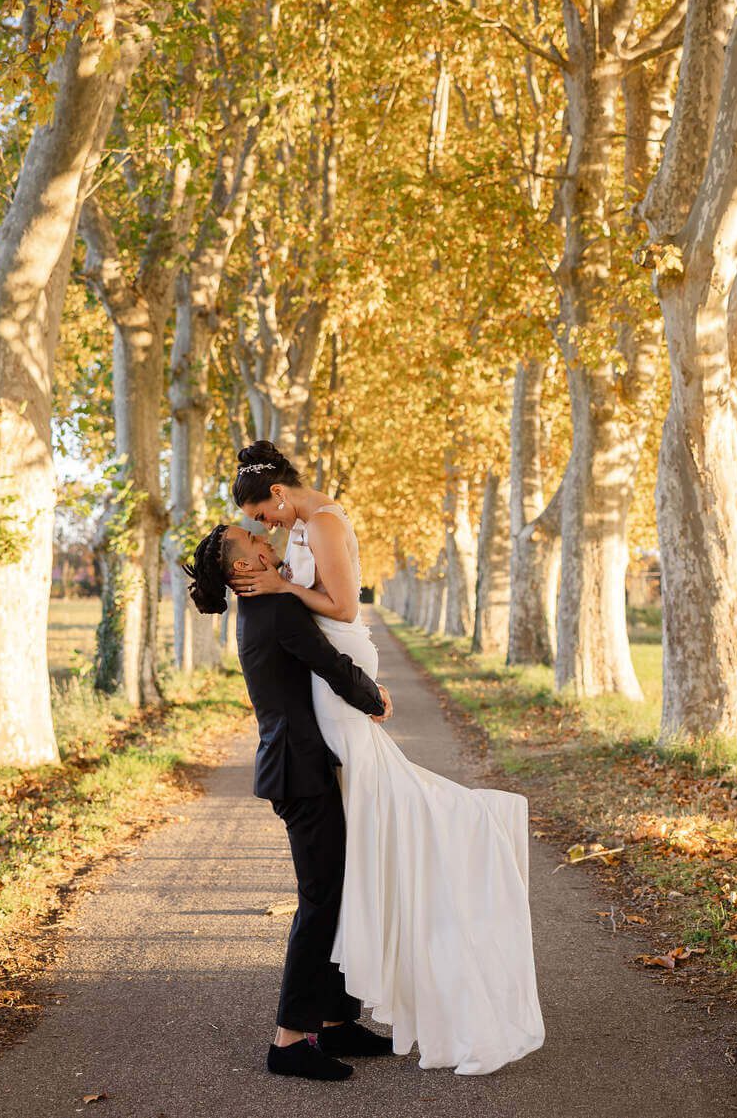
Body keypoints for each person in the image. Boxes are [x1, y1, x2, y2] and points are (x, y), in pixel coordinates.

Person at [229, 440, 546, 1076]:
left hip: (338, 686)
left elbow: (345, 607)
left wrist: (285, 587)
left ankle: (329, 1021)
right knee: (349, 865)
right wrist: (286, 588)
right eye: (255, 528)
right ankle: (327, 1023)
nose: (263, 529)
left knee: (359, 851)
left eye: (261, 516)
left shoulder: (319, 524)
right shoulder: (296, 539)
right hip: (326, 705)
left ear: (279, 494)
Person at [183, 524, 396, 1082]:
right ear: (242, 567)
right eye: (255, 542)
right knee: (319, 899)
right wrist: (373, 698)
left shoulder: (263, 606)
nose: (267, 542)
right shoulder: (274, 609)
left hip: (301, 764)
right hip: (297, 771)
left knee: (337, 889)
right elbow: (326, 661)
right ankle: (289, 1040)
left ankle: (336, 1021)